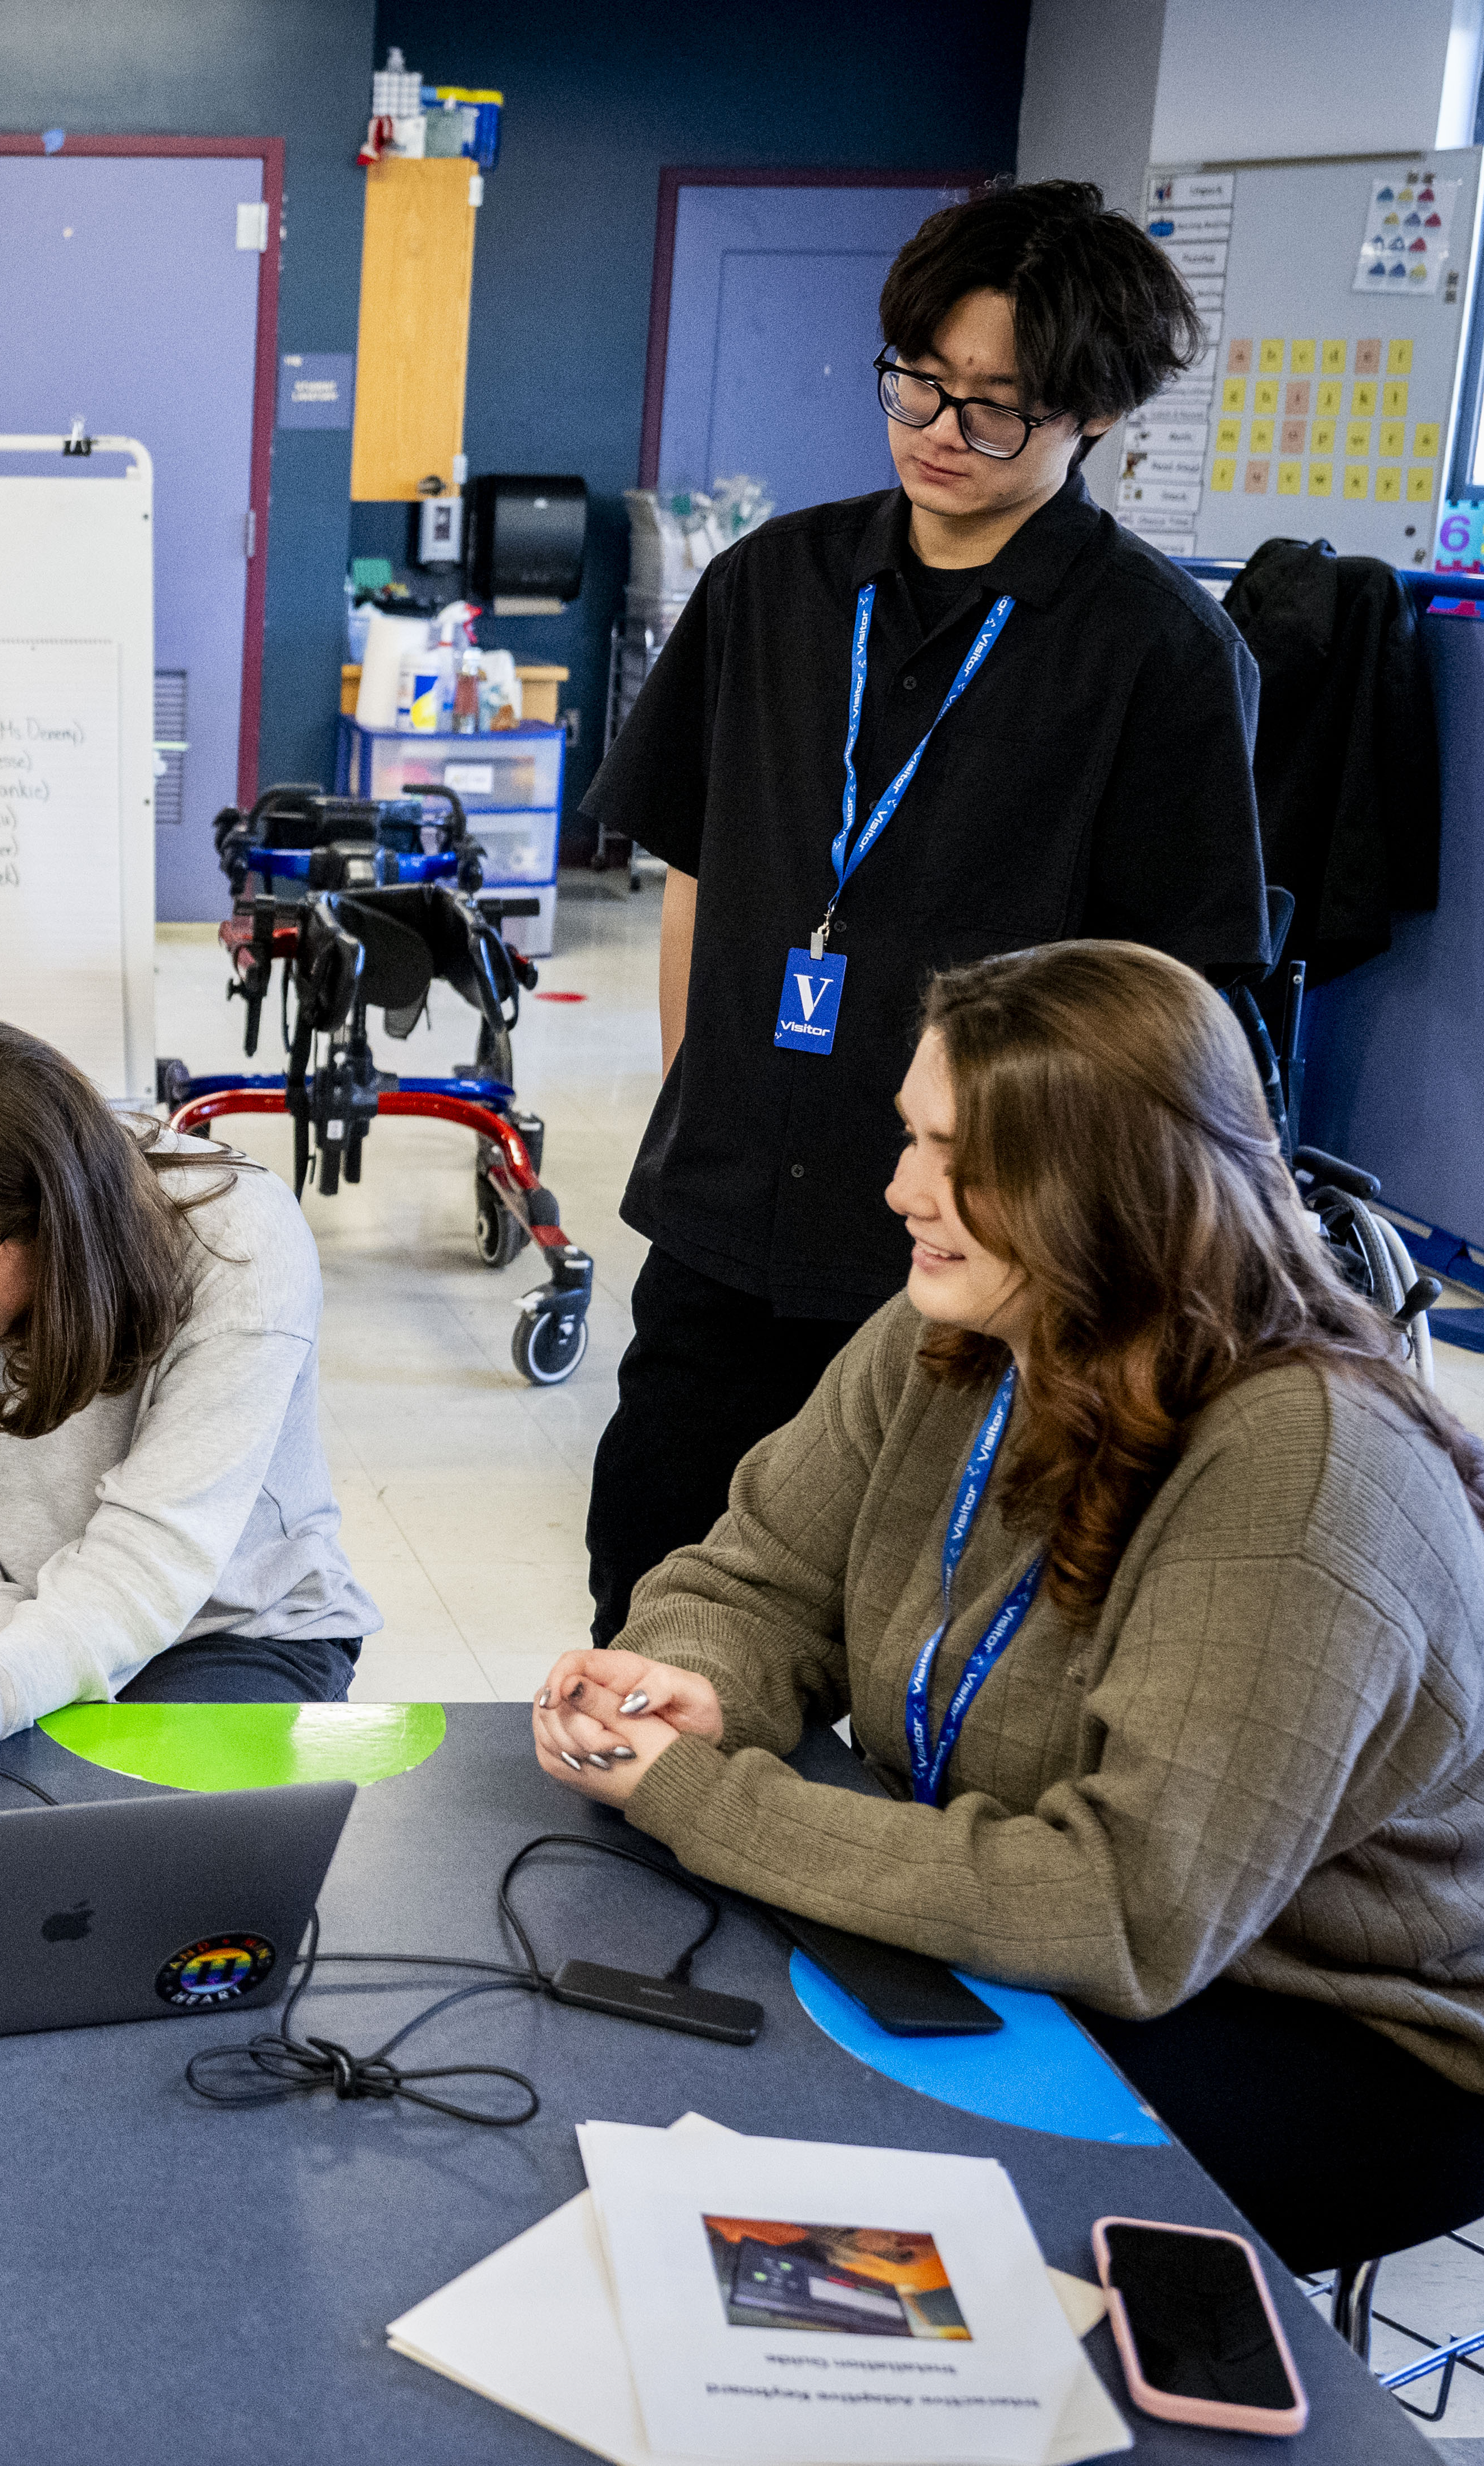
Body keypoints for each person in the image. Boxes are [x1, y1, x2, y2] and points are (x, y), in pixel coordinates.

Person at [533, 942, 1484, 2272]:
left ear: (1108, 1191)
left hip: (1351, 2031)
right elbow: (749, 1573)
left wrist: (702, 1794)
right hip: (1064, 1928)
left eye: (957, 1156)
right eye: (913, 1136)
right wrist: (692, 1679)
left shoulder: (1299, 1465)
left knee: (854, 2213)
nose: (900, 1189)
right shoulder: (959, 1330)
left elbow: (1122, 1911)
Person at [579, 179, 1272, 1644]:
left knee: (901, 1630)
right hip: (722, 1219)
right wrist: (704, 1099)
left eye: (994, 407)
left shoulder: (1156, 655)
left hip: (969, 1253)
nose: (936, 434)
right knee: (649, 1578)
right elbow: (698, 869)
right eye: (915, 384)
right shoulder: (770, 586)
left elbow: (1172, 1007)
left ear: (1093, 413)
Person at [0, 1013, 378, 1792]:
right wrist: (2, 1659)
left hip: (221, 1626)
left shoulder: (238, 1244)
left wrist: (9, 1683)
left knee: (143, 1847)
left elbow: (154, 1556)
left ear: (53, 1225)